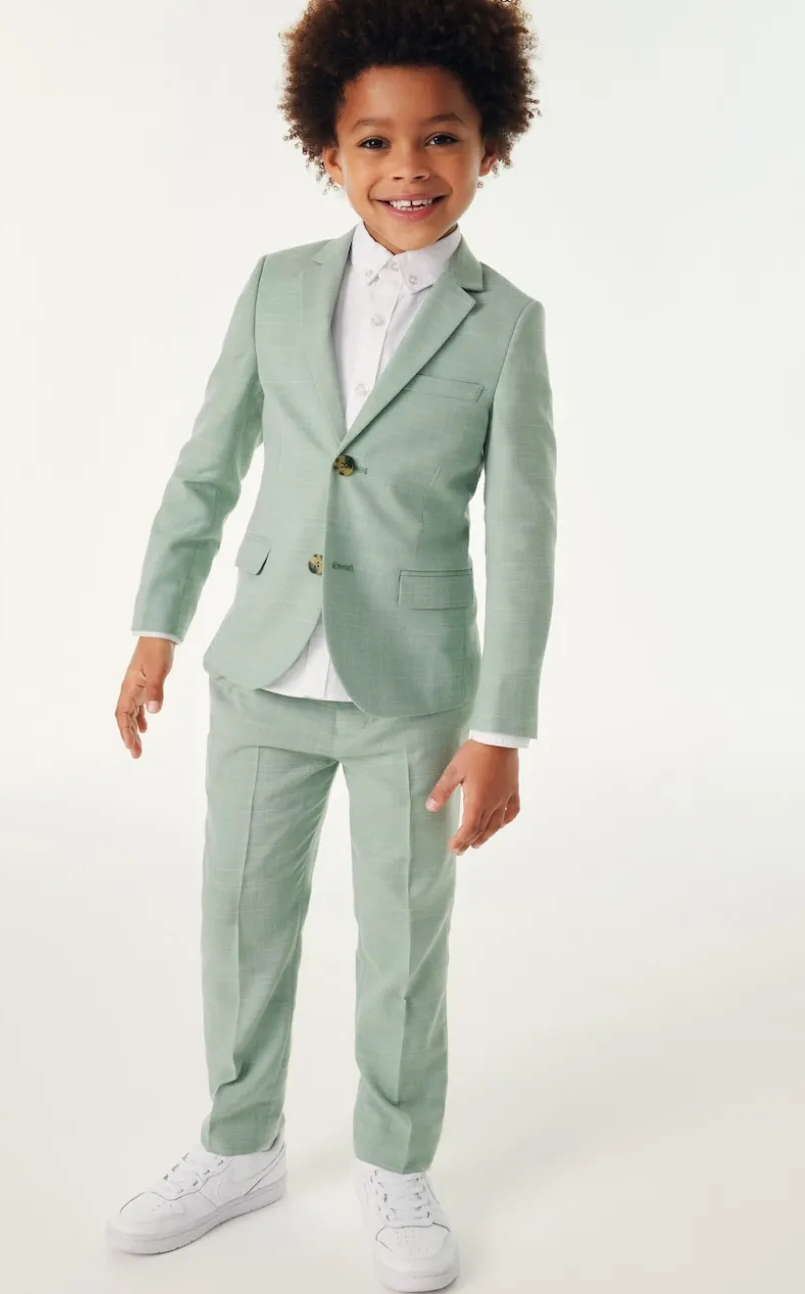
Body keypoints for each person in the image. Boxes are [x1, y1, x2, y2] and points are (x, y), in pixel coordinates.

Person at [107, 1, 556, 1289]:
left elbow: (523, 534)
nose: (408, 167)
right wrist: (155, 628)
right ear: (329, 151)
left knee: (404, 935)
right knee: (240, 916)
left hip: (413, 689)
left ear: (489, 147)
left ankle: (395, 1161)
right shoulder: (276, 286)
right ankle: (237, 1143)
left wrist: (501, 727)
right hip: (261, 668)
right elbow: (206, 470)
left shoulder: (507, 322)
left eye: (441, 138)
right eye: (374, 141)